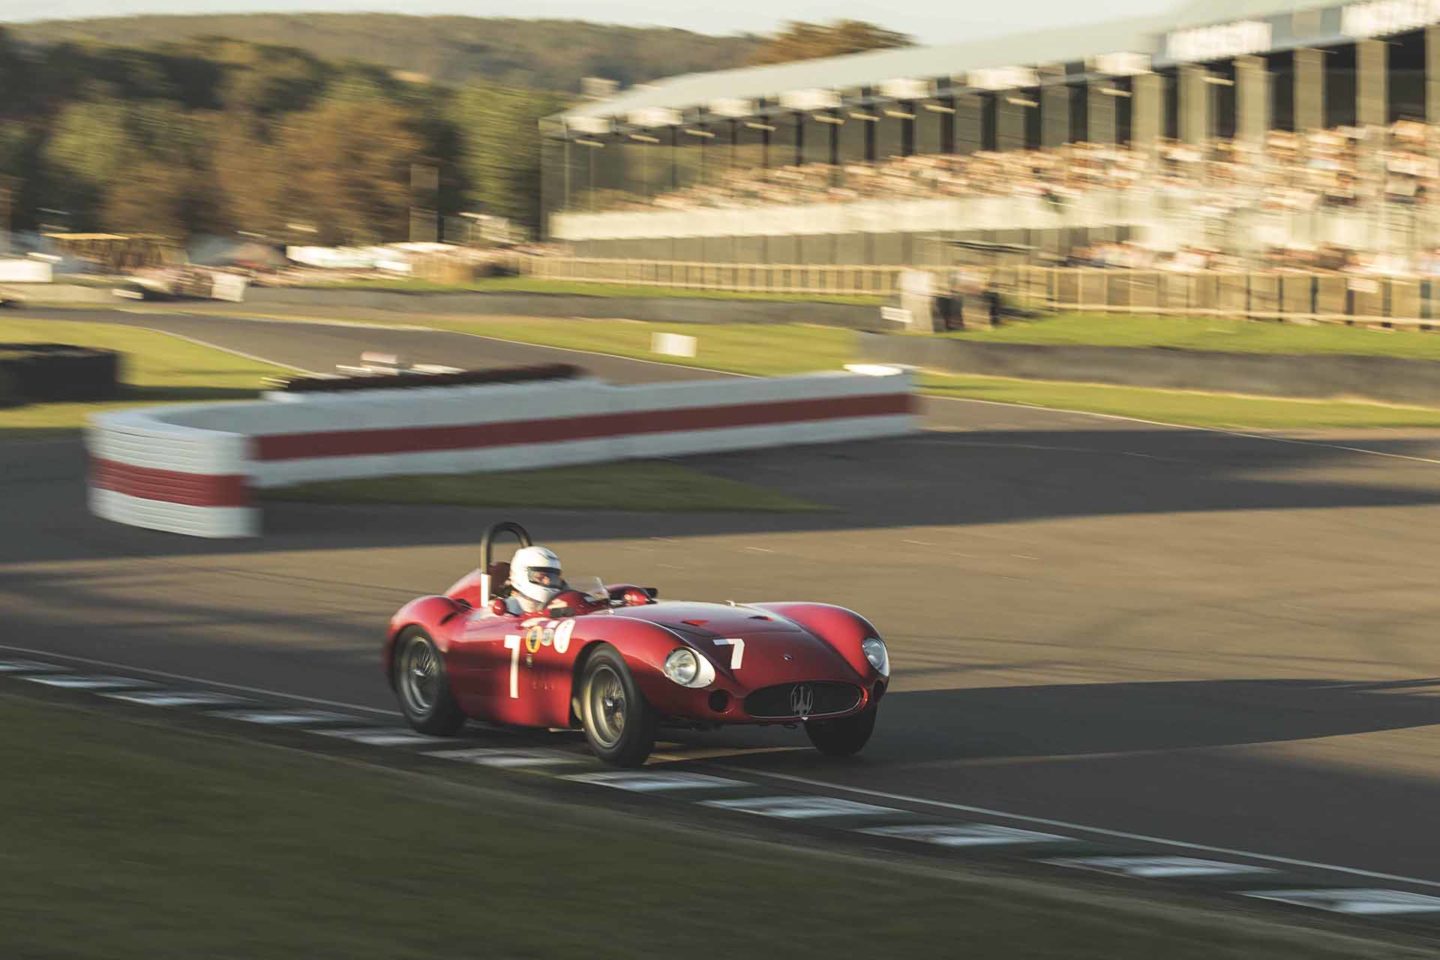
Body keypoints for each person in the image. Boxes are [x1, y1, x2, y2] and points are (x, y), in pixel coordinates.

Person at [505, 545, 567, 614]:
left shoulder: (562, 605)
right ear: (521, 574)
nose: (548, 581)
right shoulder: (505, 610)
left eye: (552, 577)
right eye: (541, 576)